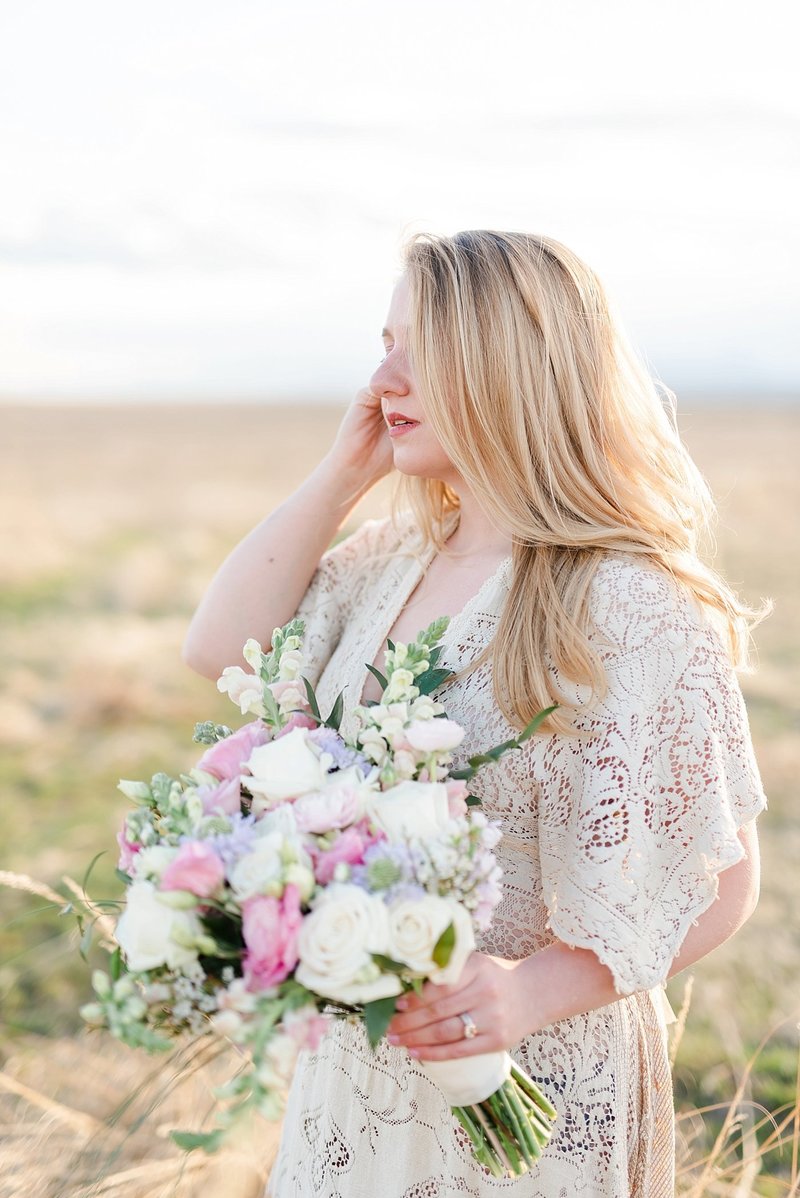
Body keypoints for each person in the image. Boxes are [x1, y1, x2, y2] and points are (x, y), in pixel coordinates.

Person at [183, 230, 767, 1197]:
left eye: (420, 347)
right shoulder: (386, 564)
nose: (382, 376)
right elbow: (217, 646)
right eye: (382, 341)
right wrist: (343, 475)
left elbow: (723, 878)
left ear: (505, 368)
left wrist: (526, 995)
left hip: (530, 1073)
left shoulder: (629, 599)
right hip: (360, 1077)